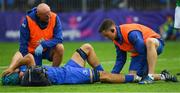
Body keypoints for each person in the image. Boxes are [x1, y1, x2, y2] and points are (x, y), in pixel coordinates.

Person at [2, 43, 142, 86]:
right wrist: (11, 68)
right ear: (18, 74)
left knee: (86, 47)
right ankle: (135, 78)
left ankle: (102, 76)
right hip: (69, 75)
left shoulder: (25, 74)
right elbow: (28, 57)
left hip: (67, 69)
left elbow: (18, 55)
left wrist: (11, 68)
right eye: (15, 71)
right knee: (104, 76)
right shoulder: (29, 74)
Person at [98, 19, 170, 84]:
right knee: (133, 77)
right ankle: (164, 76)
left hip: (156, 44)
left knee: (149, 41)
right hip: (139, 52)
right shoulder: (116, 40)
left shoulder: (130, 33)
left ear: (113, 30)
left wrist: (143, 72)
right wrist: (112, 75)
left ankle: (151, 75)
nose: (106, 38)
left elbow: (143, 51)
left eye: (107, 35)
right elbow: (121, 59)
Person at [9, 3, 64, 74]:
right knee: (19, 56)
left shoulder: (55, 17)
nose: (49, 16)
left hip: (47, 49)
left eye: (49, 12)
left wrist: (43, 45)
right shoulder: (28, 21)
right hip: (32, 53)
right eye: (46, 14)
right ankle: (15, 70)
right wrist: (23, 68)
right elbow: (23, 47)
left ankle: (54, 73)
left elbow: (59, 39)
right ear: (38, 15)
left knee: (60, 47)